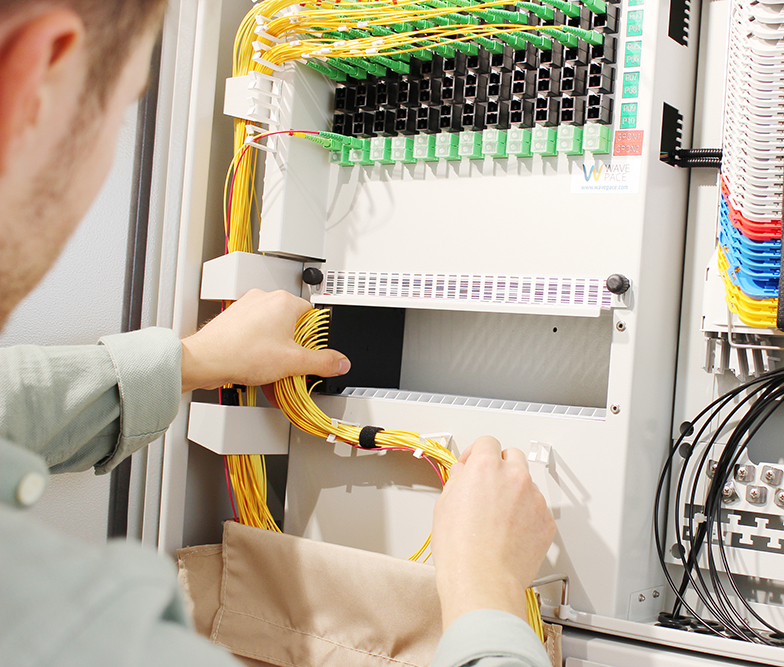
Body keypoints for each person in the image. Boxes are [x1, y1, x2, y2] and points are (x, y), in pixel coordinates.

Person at [0, 2, 555, 666]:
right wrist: (486, 587)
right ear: (31, 77)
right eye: (121, 112)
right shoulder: (91, 638)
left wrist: (190, 360)